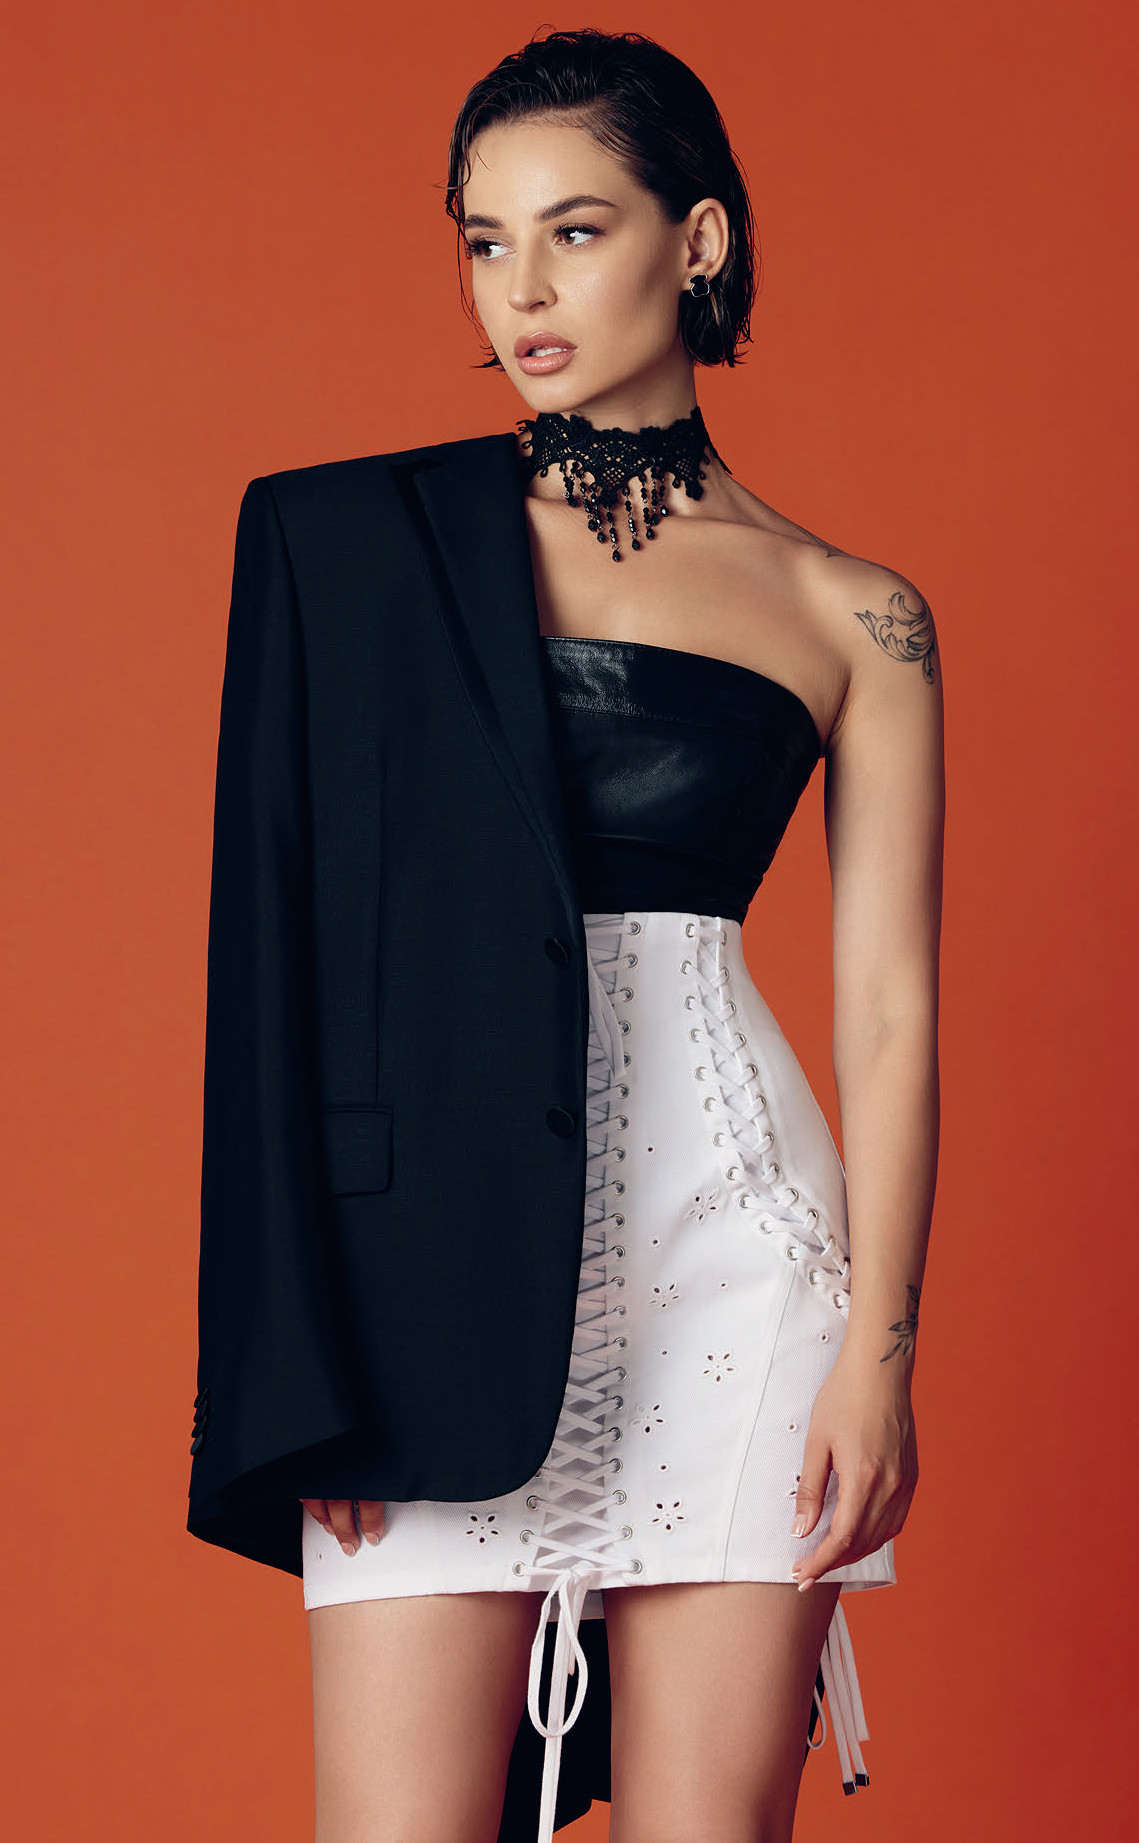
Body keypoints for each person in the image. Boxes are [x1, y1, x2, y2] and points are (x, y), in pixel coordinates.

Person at [188, 27, 942, 1843]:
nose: (517, 289)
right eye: (483, 240)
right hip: (419, 1292)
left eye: (574, 230)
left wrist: (880, 1360)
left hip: (743, 1275)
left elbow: (891, 1011)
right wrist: (293, 1368)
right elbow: (268, 970)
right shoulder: (343, 549)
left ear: (699, 239)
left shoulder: (858, 614)